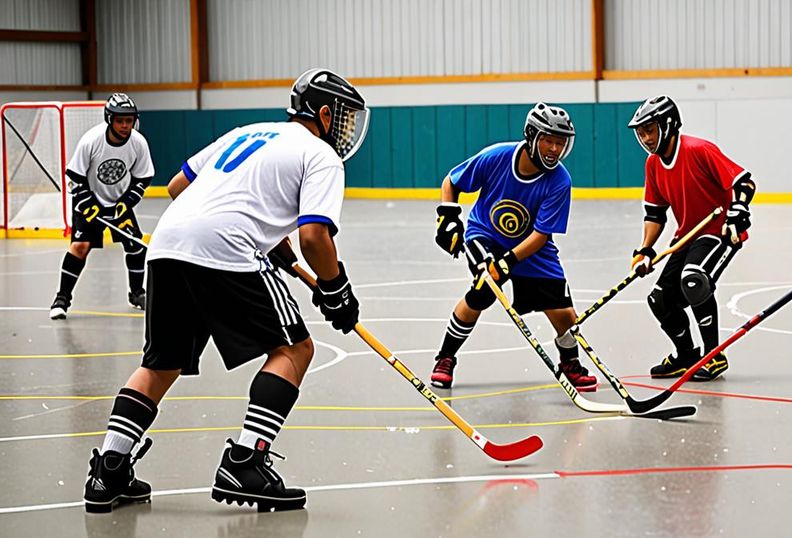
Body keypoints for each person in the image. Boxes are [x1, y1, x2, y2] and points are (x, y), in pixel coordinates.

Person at [81, 68, 369, 513]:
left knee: (161, 364)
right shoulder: (321, 156)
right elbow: (315, 237)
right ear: (326, 114)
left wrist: (274, 246)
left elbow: (179, 186)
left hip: (168, 244)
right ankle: (245, 462)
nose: (346, 130)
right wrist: (337, 290)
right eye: (345, 118)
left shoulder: (247, 131)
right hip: (226, 250)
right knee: (295, 350)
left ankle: (109, 471)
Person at [430, 103, 598, 392]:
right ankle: (445, 358)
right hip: (486, 234)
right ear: (532, 136)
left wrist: (508, 261)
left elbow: (541, 235)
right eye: (549, 140)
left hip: (532, 247)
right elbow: (451, 181)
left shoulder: (560, 180)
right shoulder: (497, 156)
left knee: (563, 314)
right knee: (483, 290)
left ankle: (570, 362)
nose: (555, 149)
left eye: (561, 142)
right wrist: (448, 217)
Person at [626, 95, 757, 381]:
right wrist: (645, 250)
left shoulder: (699, 150)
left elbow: (745, 182)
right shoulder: (653, 165)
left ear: (669, 125)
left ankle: (713, 356)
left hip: (719, 231)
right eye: (641, 132)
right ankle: (686, 355)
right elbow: (655, 215)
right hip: (687, 236)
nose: (646, 138)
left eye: (650, 129)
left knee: (694, 278)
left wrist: (738, 210)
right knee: (659, 299)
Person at [49, 93, 153, 319]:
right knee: (80, 247)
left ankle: (137, 293)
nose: (125, 126)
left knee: (136, 246)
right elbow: (74, 177)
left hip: (118, 203)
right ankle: (62, 299)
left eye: (129, 120)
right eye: (120, 120)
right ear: (109, 119)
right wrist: (88, 203)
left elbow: (142, 178)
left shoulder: (138, 142)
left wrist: (126, 204)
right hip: (88, 201)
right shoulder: (91, 140)